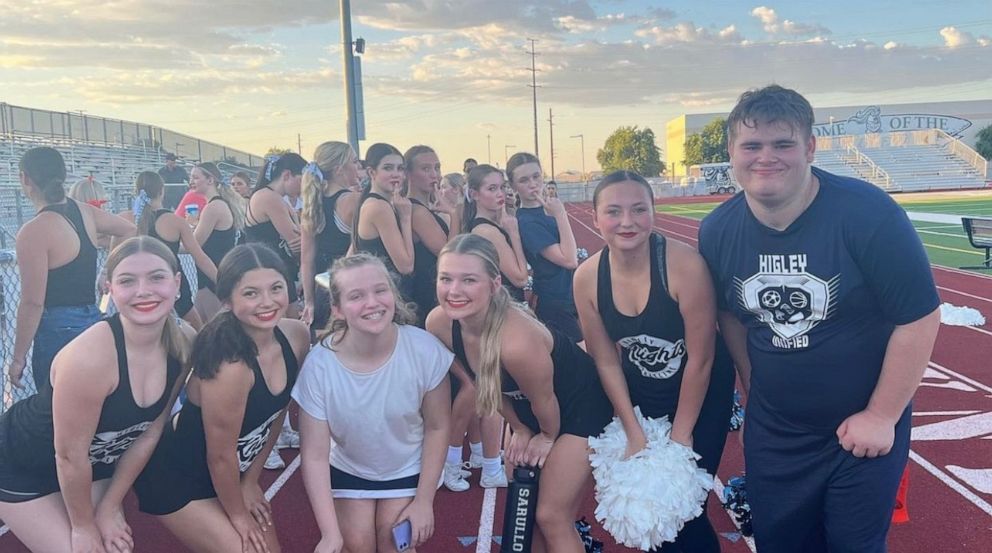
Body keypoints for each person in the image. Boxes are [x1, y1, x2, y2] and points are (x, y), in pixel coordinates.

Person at [697, 85, 941, 553]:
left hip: (860, 425)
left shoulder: (868, 214)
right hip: (778, 431)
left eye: (782, 144)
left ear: (810, 147)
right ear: (732, 153)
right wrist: (756, 395)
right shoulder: (719, 230)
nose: (766, 157)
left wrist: (882, 414)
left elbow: (920, 316)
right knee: (780, 543)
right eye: (752, 145)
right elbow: (730, 316)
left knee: (853, 545)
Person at [574, 171, 735, 552]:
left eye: (638, 210)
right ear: (595, 217)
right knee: (649, 506)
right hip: (643, 390)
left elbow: (701, 357)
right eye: (613, 211)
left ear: (653, 213)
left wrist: (681, 437)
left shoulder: (684, 266)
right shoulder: (586, 278)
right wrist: (633, 431)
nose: (627, 222)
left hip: (701, 390)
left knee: (686, 506)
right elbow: (607, 361)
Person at [0, 236, 192, 552]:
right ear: (109, 287)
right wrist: (83, 526)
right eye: (128, 280)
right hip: (23, 466)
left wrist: (108, 506)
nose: (143, 290)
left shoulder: (184, 343)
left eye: (156, 277)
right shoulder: (89, 359)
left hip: (93, 463)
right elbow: (69, 457)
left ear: (177, 282)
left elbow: (148, 433)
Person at [428, 234, 613, 553]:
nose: (454, 291)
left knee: (552, 516)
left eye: (469, 280)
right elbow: (484, 382)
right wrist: (521, 427)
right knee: (525, 509)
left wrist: (543, 435)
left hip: (581, 407)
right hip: (534, 410)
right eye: (446, 278)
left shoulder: (516, 342)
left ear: (494, 284)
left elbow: (547, 401)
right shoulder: (439, 325)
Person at [134, 243, 311, 553]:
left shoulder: (297, 336)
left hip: (230, 470)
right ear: (227, 300)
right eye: (251, 293)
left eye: (276, 288)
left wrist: (251, 480)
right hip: (179, 478)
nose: (267, 302)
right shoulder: (231, 367)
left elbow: (276, 415)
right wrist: (239, 516)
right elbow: (220, 457)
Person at [294, 253, 451, 553]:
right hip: (350, 470)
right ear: (338, 310)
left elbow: (438, 426)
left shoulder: (424, 350)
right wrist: (329, 535)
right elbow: (314, 454)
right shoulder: (320, 365)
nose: (372, 303)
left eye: (381, 290)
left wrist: (424, 501)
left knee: (396, 543)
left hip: (408, 469)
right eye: (356, 296)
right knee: (357, 544)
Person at [6, 147, 135, 390]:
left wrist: (18, 358)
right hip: (93, 321)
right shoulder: (83, 211)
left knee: (56, 411)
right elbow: (128, 228)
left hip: (58, 329)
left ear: (25, 178)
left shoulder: (34, 231)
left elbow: (33, 302)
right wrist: (107, 270)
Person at [116, 171, 218, 331]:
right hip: (172, 286)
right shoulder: (173, 221)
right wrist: (222, 281)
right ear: (161, 191)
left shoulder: (123, 220)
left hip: (137, 287)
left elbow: (111, 258)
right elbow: (200, 258)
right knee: (198, 336)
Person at [507, 153, 581, 343]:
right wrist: (561, 214)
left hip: (571, 294)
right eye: (524, 180)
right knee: (580, 355)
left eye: (536, 176)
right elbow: (569, 260)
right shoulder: (526, 222)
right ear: (513, 186)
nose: (533, 183)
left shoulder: (546, 210)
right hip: (555, 300)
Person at [299, 141, 361, 331]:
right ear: (339, 169)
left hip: (321, 287)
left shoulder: (311, 204)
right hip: (348, 281)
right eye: (354, 162)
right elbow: (359, 244)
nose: (358, 167)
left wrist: (309, 301)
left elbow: (306, 259)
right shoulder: (351, 200)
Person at [245, 153, 306, 320]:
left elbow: (299, 239)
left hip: (275, 266)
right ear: (287, 175)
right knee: (288, 323)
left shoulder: (276, 198)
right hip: (270, 268)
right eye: (302, 180)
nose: (304, 187)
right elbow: (296, 239)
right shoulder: (269, 198)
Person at [352, 143, 415, 301]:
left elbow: (353, 250)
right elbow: (406, 266)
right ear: (372, 172)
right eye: (388, 168)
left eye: (400, 168)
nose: (396, 174)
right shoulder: (379, 207)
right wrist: (406, 218)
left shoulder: (370, 202)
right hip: (388, 293)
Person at [405, 145, 459, 327]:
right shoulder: (416, 210)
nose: (434, 174)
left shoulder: (426, 207)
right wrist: (454, 214)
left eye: (437, 167)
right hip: (426, 291)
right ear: (409, 174)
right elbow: (450, 254)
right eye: (425, 169)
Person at [463, 164, 528, 304]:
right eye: (492, 189)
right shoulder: (487, 231)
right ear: (475, 194)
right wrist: (514, 233)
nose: (500, 193)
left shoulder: (491, 225)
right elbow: (521, 279)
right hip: (506, 306)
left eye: (502, 187)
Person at [191, 162, 245, 323]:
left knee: (217, 331)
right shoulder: (216, 204)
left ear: (210, 180)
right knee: (201, 330)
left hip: (213, 275)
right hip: (210, 276)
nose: (191, 181)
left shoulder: (214, 206)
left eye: (195, 177)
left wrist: (167, 242)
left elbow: (194, 244)